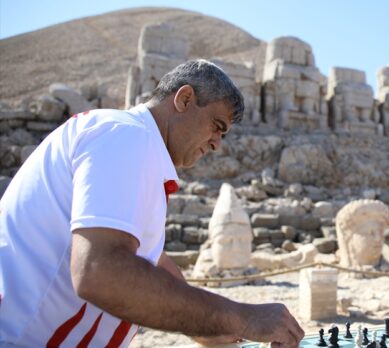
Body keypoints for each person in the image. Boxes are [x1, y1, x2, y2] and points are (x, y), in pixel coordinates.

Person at [0, 59, 304, 347]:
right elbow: (99, 270)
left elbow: (150, 259)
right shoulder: (127, 136)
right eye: (216, 125)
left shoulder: (132, 143)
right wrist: (242, 318)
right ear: (184, 99)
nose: (217, 144)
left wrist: (206, 327)